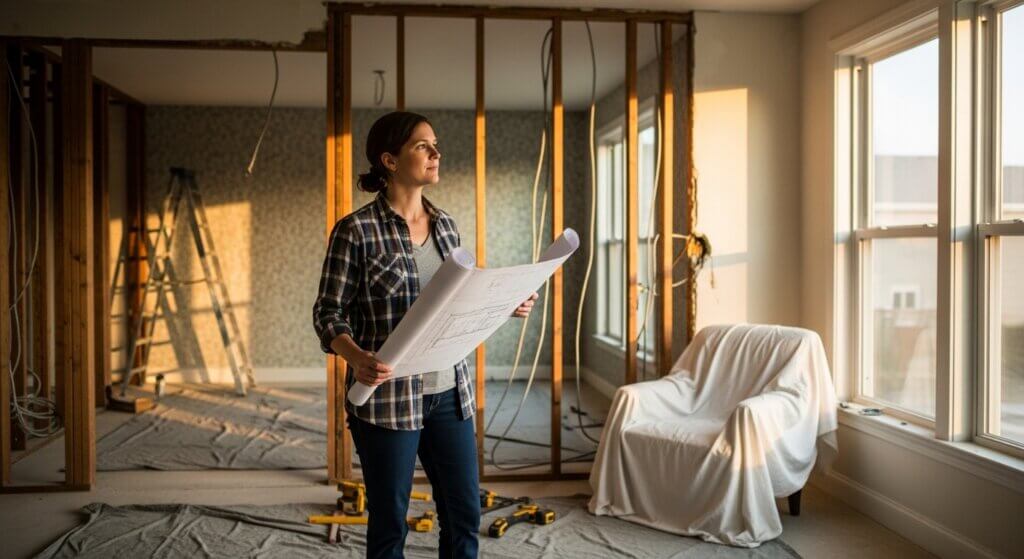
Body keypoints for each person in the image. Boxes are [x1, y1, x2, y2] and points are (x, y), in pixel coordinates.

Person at [313, 111, 538, 559]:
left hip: (450, 393)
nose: (436, 153)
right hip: (386, 399)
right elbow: (328, 312)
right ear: (389, 160)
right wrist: (356, 356)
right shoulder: (355, 230)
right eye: (422, 145)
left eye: (435, 144)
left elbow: (458, 305)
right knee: (389, 523)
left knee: (463, 514)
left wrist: (503, 305)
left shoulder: (447, 226)